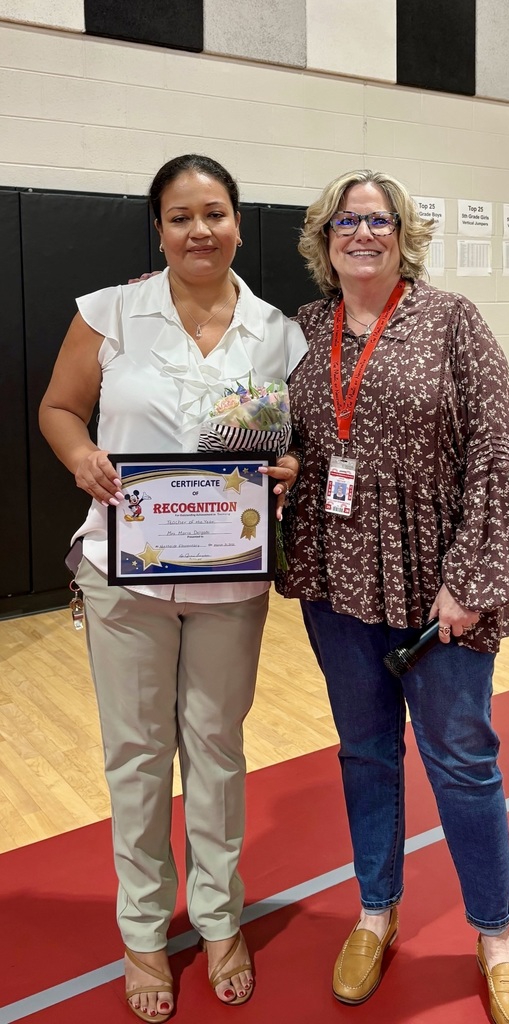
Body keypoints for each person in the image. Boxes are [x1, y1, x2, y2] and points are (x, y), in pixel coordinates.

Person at [39, 153, 306, 1019]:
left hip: (230, 577)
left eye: (216, 213)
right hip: (128, 574)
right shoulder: (110, 311)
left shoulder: (276, 330)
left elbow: (284, 446)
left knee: (218, 750)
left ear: (237, 223)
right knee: (138, 757)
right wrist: (81, 456)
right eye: (182, 215)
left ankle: (221, 919)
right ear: (158, 227)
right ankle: (145, 932)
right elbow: (59, 407)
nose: (201, 230)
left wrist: (291, 467)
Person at [276, 169, 509, 1024]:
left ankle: (496, 939)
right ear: (324, 239)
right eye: (346, 221)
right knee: (366, 754)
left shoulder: (454, 321)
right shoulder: (305, 332)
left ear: (403, 234)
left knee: (463, 761)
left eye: (378, 220)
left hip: (440, 592)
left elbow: (500, 457)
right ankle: (377, 913)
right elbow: (287, 441)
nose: (363, 233)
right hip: (339, 583)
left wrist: (469, 579)